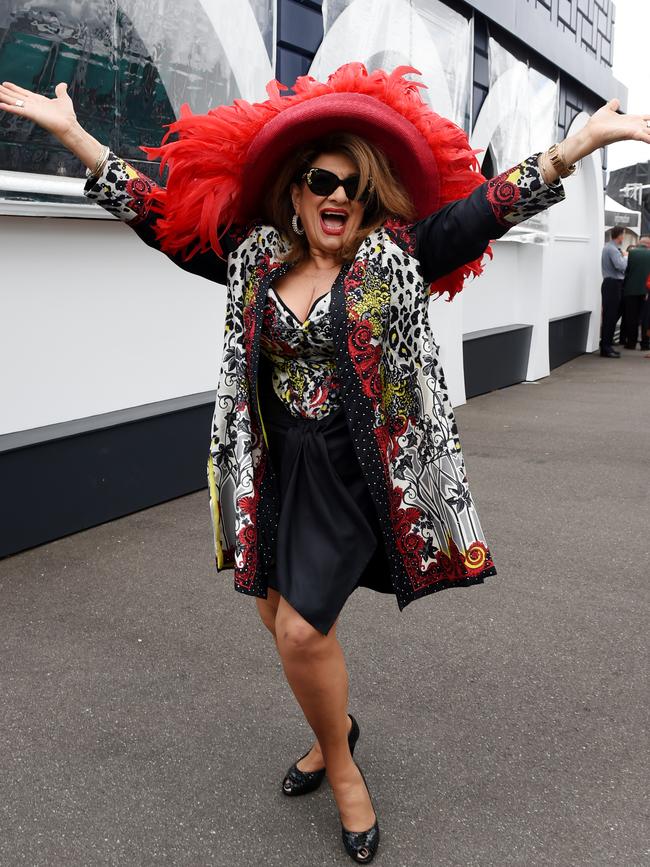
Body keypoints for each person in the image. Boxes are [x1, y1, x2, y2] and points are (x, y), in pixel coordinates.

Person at [2, 65, 649, 864]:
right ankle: (333, 721)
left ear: (370, 198)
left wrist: (573, 148)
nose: (338, 196)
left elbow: (486, 210)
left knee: (304, 631)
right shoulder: (252, 258)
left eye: (355, 186)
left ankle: (341, 765)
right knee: (276, 619)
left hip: (356, 467)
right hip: (272, 462)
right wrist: (75, 138)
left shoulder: (396, 258)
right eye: (322, 181)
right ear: (297, 192)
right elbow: (164, 219)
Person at [600, 225, 627, 357]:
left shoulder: (609, 248)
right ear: (620, 235)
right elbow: (620, 266)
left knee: (610, 316)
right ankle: (606, 347)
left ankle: (607, 345)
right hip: (613, 284)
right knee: (610, 317)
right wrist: (626, 257)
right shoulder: (613, 250)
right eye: (624, 234)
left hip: (610, 284)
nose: (624, 237)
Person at [622, 236, 650, 349]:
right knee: (645, 318)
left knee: (631, 317)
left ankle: (631, 343)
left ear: (640, 243)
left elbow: (626, 270)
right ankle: (645, 343)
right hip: (646, 291)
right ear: (648, 244)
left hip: (631, 290)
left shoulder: (631, 253)